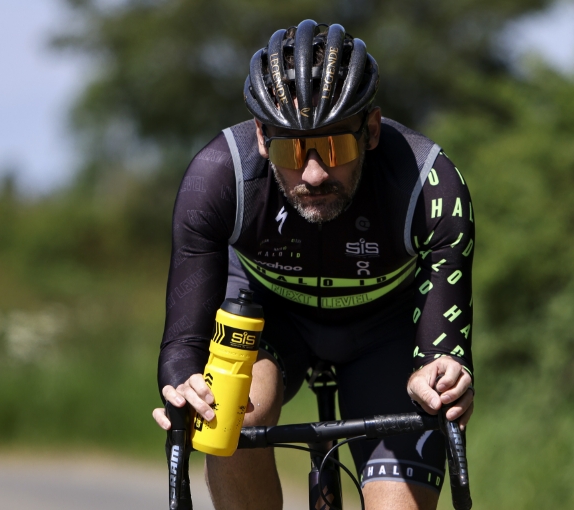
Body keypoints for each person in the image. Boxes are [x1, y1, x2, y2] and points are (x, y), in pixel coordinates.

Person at [151, 19, 475, 510]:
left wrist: (442, 373)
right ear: (261, 137)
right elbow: (184, 346)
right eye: (291, 149)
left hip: (384, 331)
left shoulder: (430, 184)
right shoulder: (217, 177)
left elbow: (443, 358)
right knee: (228, 413)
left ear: (370, 130)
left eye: (334, 147)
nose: (314, 173)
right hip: (268, 318)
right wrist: (184, 386)